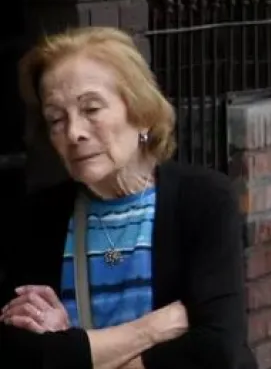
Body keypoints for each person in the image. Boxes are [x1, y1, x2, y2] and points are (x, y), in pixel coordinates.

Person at [0, 27, 254, 368]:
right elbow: (22, 356)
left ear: (140, 112)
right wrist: (151, 329)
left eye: (91, 109)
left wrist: (74, 348)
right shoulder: (39, 218)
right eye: (56, 119)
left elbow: (217, 351)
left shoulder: (204, 199)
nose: (73, 132)